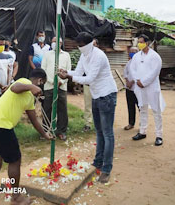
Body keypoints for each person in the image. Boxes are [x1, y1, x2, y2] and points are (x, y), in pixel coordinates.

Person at [0, 68, 52, 205]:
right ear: (39, 80)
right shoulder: (24, 82)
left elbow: (33, 119)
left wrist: (44, 134)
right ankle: (16, 197)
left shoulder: (29, 98)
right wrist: (32, 86)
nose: (40, 87)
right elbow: (15, 87)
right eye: (41, 84)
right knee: (15, 160)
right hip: (2, 126)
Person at [59, 32, 118, 184]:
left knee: (107, 133)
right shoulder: (84, 55)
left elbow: (90, 78)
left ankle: (106, 169)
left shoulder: (98, 55)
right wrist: (67, 73)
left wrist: (70, 77)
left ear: (90, 43)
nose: (79, 48)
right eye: (78, 46)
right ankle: (98, 162)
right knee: (99, 131)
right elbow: (79, 73)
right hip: (96, 95)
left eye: (81, 45)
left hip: (106, 95)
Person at [130, 34, 165, 146]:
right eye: (138, 42)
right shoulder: (136, 56)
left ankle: (159, 135)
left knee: (156, 110)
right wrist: (137, 80)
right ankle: (142, 131)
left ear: (147, 42)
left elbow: (155, 72)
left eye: (141, 42)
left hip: (151, 87)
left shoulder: (155, 56)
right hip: (139, 87)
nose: (140, 44)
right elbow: (132, 69)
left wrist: (144, 82)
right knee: (142, 108)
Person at [41, 36, 71, 141]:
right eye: (53, 41)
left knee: (62, 109)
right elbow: (43, 70)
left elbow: (68, 71)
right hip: (49, 85)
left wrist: (61, 82)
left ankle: (61, 131)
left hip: (62, 86)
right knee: (47, 108)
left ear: (61, 43)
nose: (55, 43)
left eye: (58, 42)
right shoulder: (47, 55)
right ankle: (46, 131)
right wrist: (52, 81)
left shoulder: (66, 55)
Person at [83, 38, 99, 132]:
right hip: (88, 84)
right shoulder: (85, 56)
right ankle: (88, 124)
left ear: (97, 46)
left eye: (94, 44)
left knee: (99, 105)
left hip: (98, 85)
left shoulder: (100, 56)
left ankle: (99, 125)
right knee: (88, 104)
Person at [123, 47, 139, 131]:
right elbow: (125, 74)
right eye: (131, 52)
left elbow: (139, 74)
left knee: (140, 107)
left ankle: (142, 126)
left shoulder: (140, 63)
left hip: (137, 88)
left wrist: (132, 82)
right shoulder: (128, 63)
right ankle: (131, 123)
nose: (132, 53)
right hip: (128, 89)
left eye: (134, 52)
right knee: (130, 106)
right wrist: (127, 82)